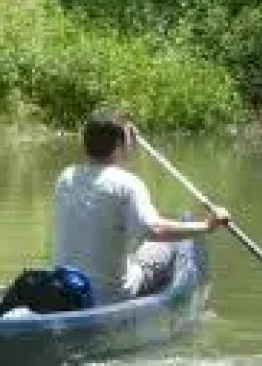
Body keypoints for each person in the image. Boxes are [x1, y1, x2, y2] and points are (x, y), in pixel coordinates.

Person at [52, 109, 228, 306]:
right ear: (119, 144)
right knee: (177, 241)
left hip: (65, 290)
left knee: (138, 245)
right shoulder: (128, 184)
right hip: (112, 295)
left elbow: (107, 180)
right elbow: (155, 230)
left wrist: (122, 138)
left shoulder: (66, 177)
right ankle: (177, 300)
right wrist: (207, 226)